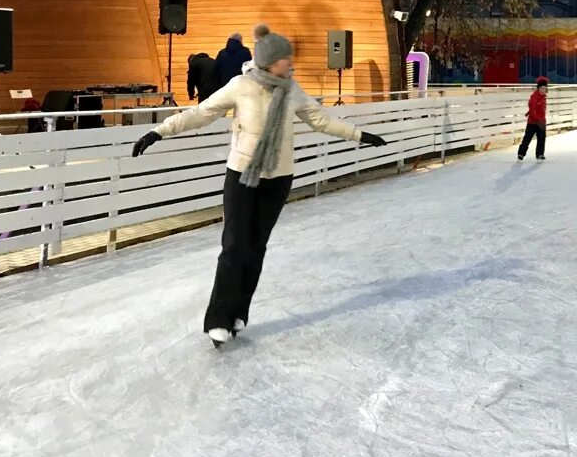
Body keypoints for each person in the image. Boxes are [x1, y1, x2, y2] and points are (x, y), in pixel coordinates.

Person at [131, 31, 388, 348]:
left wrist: (360, 135)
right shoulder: (241, 87)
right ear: (269, 60)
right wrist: (158, 132)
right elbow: (202, 113)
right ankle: (219, 320)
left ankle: (239, 313)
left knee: (256, 247)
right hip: (241, 175)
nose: (289, 61)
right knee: (235, 244)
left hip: (278, 179)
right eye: (284, 57)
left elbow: (320, 120)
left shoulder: (292, 90)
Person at [518, 77, 549, 161]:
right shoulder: (534, 96)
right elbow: (532, 108)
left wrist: (542, 121)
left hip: (541, 121)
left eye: (545, 88)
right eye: (541, 88)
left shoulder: (544, 97)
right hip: (533, 121)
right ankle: (521, 153)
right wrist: (536, 119)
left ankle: (540, 154)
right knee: (527, 138)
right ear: (538, 88)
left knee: (541, 139)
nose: (543, 90)